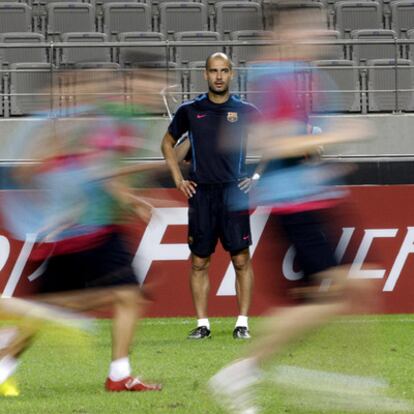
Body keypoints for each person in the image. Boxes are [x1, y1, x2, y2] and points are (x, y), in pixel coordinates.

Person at [208, 7, 375, 414]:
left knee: (339, 296)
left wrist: (324, 160)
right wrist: (342, 134)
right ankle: (242, 373)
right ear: (284, 31)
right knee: (345, 293)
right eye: (311, 25)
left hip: (316, 198)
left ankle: (251, 374)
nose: (323, 32)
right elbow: (270, 143)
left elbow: (300, 143)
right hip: (296, 204)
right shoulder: (276, 77)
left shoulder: (306, 77)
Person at [0, 70, 167, 395]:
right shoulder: (49, 127)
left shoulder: (96, 125)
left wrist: (128, 198)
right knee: (53, 309)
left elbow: (102, 172)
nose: (88, 91)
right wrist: (52, 162)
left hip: (97, 231)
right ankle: (5, 358)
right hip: (66, 236)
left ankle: (119, 375)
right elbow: (24, 173)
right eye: (80, 85)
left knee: (125, 297)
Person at [161, 52, 260, 340]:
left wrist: (256, 176)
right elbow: (167, 144)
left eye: (224, 70)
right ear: (205, 75)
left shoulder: (246, 110)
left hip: (233, 192)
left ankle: (242, 323)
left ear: (232, 74)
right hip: (201, 193)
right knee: (199, 261)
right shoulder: (190, 111)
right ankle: (203, 324)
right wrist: (178, 179)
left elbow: (274, 139)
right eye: (213, 71)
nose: (219, 76)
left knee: (241, 260)